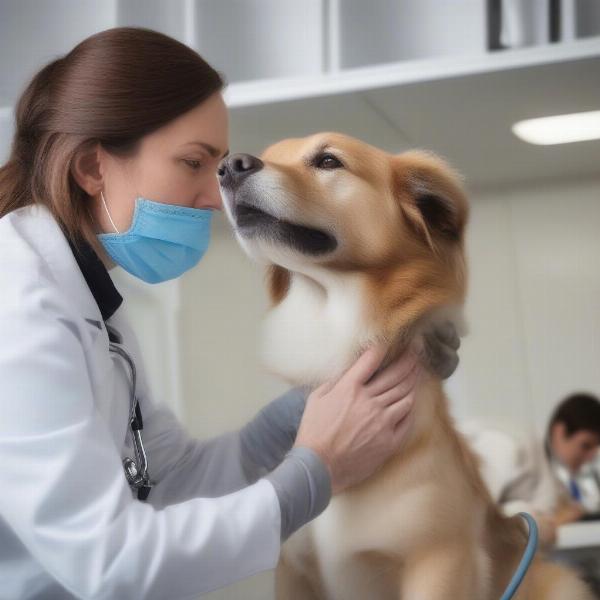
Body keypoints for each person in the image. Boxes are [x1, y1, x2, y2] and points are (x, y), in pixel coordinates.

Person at [0, 27, 460, 599]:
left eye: (215, 166)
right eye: (193, 163)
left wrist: (317, 402)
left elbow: (175, 482)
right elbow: (110, 560)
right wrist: (317, 472)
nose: (215, 196)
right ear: (94, 168)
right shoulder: (17, 304)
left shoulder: (94, 306)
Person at [460, 392, 600, 549]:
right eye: (586, 446)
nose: (589, 457)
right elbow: (471, 519)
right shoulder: (508, 445)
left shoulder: (551, 474)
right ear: (560, 431)